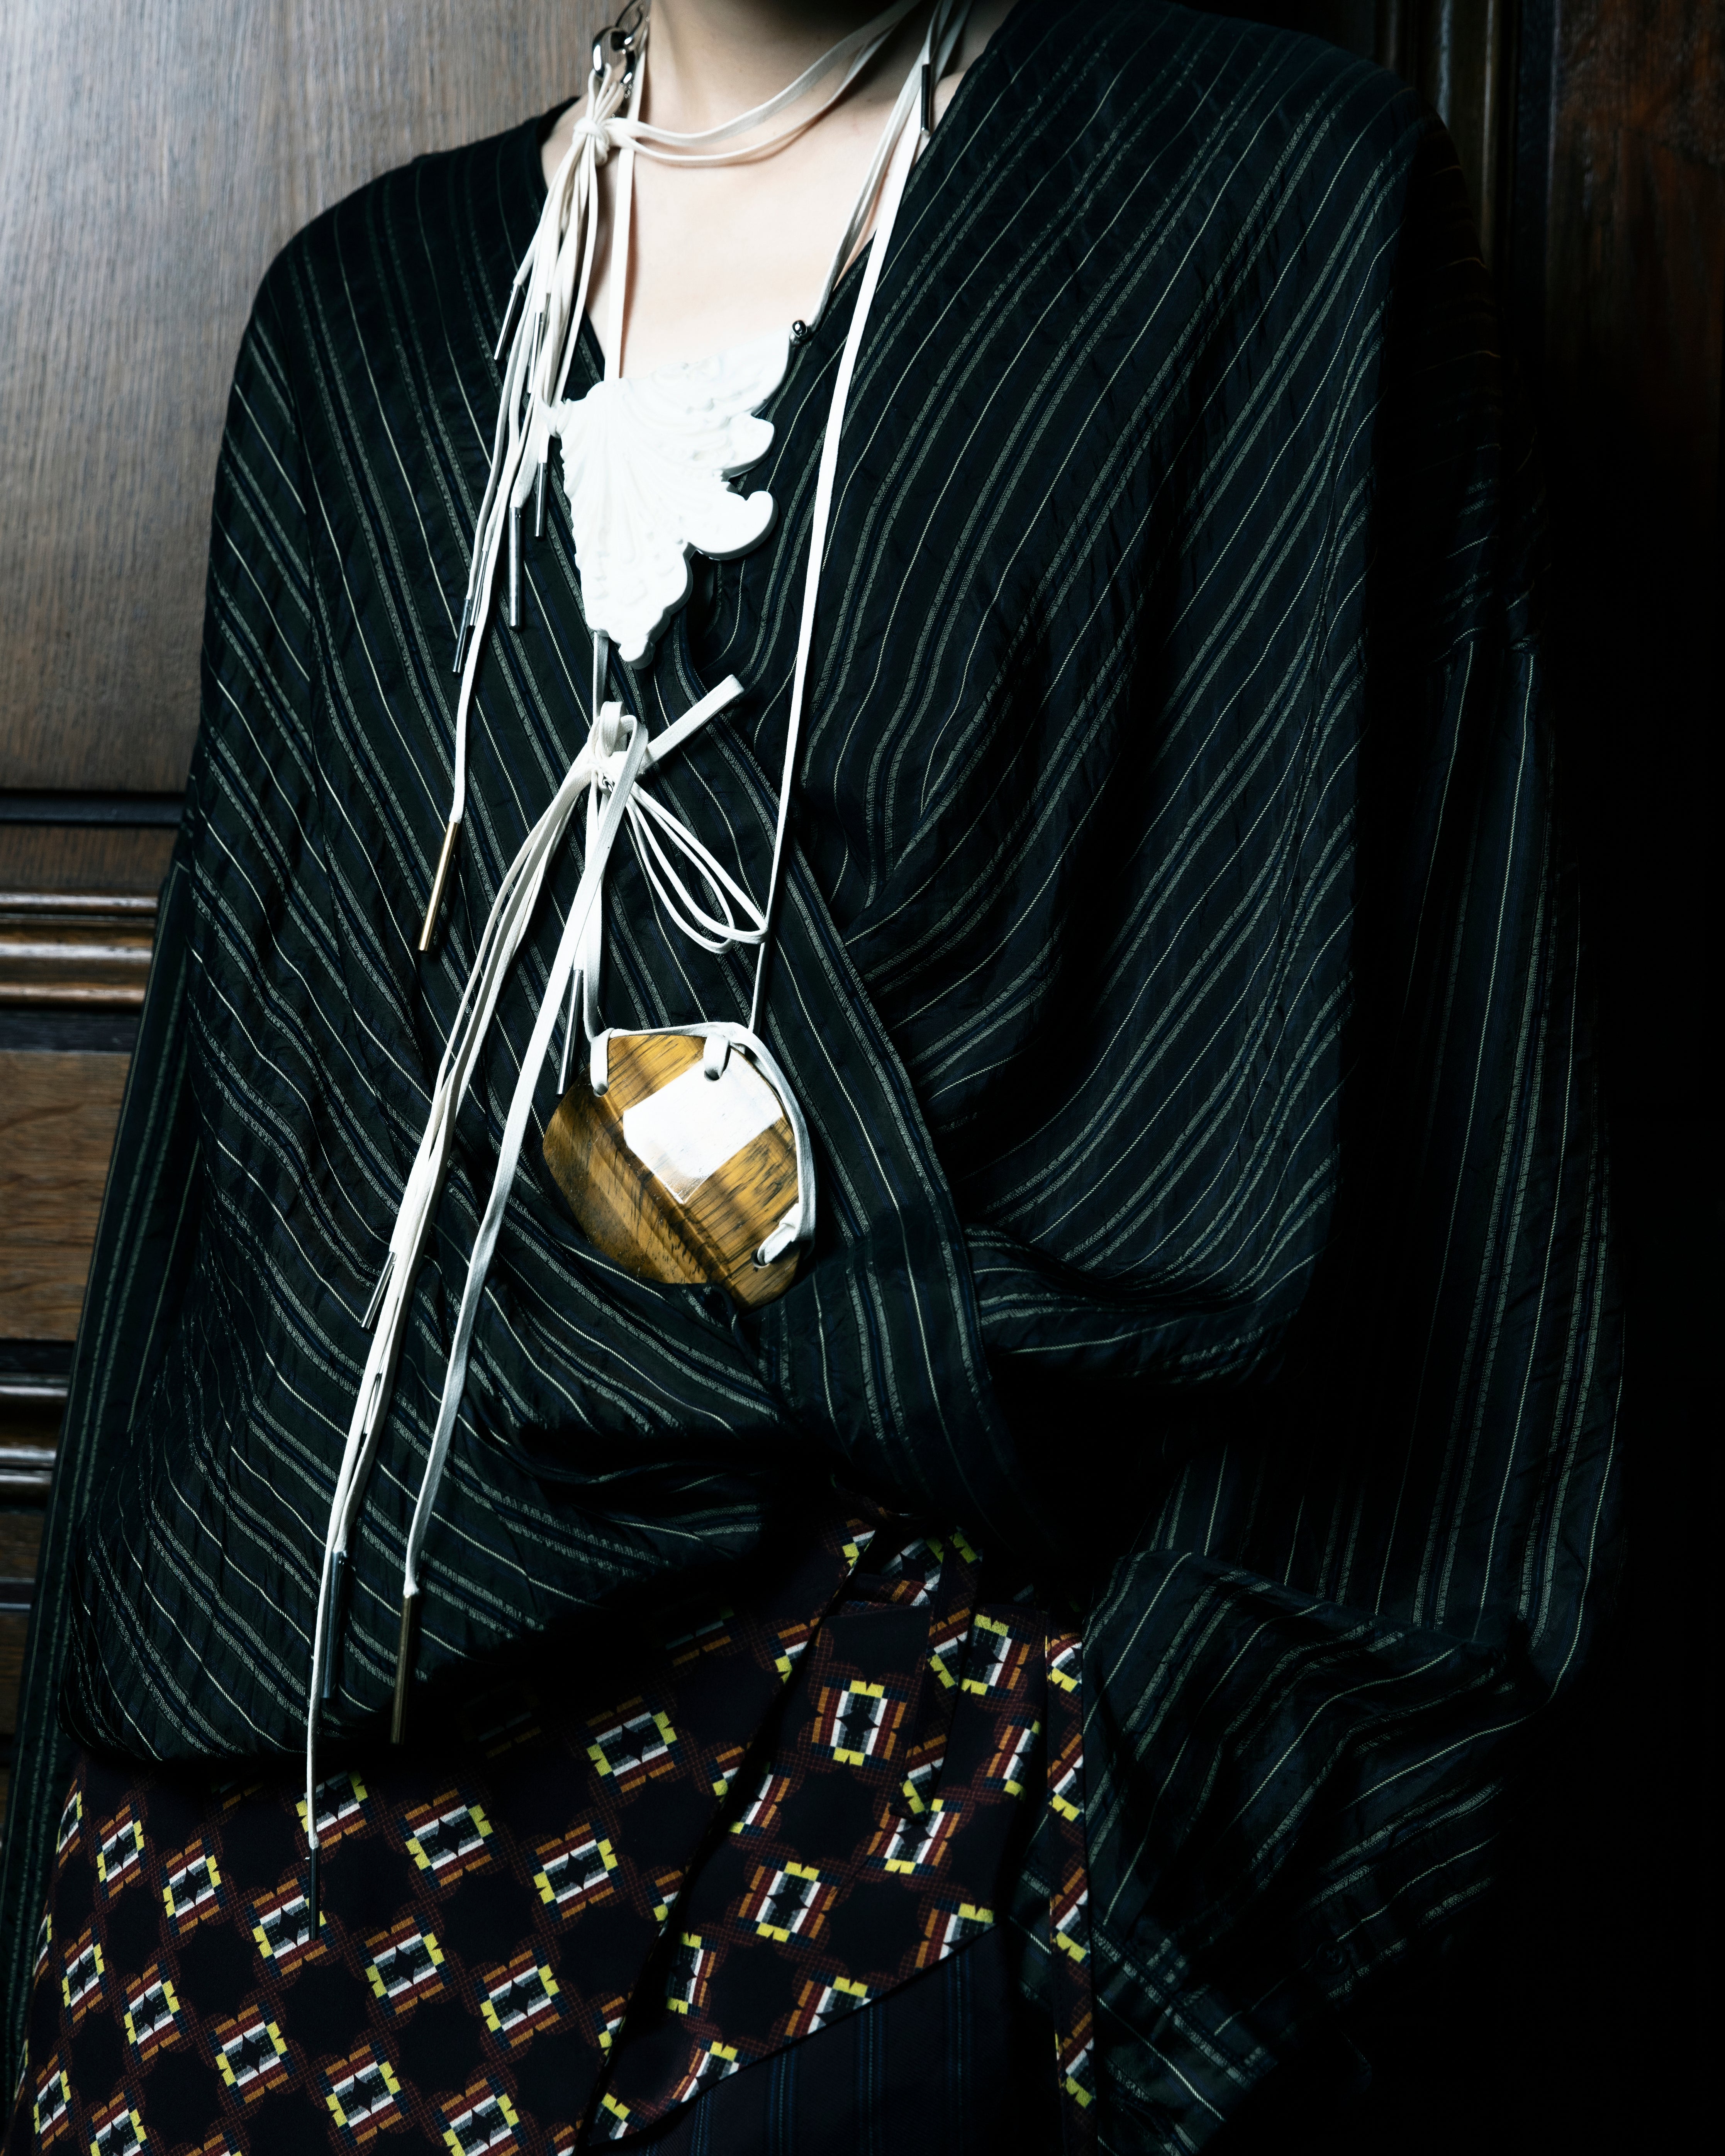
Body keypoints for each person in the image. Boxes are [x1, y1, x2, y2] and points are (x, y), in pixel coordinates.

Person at [0, 2, 1620, 2150]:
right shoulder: (365, 321)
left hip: (933, 1709)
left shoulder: (1259, 202)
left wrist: (1125, 1839)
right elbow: (263, 1157)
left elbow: (1424, 1158)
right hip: (340, 1664)